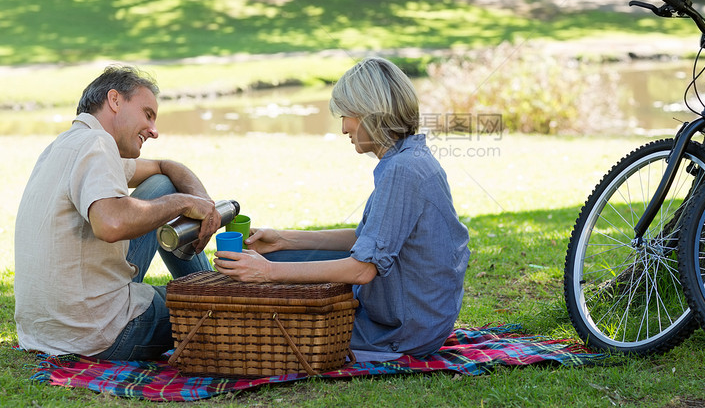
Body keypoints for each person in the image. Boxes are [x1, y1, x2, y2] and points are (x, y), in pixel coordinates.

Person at [215, 57, 471, 361]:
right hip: (412, 314)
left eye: (346, 116)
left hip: (400, 332)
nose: (343, 128)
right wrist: (283, 239)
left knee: (261, 304)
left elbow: (362, 269)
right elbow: (366, 238)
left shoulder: (403, 170)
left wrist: (267, 272)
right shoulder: (407, 158)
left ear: (369, 113)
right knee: (276, 255)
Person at [14, 65, 221, 360]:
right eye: (147, 114)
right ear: (114, 100)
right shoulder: (97, 144)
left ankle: (210, 288)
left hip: (44, 331)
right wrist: (181, 203)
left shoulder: (65, 145)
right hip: (96, 333)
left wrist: (202, 201)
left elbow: (164, 168)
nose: (154, 130)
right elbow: (110, 223)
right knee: (206, 310)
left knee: (161, 184)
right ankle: (218, 298)